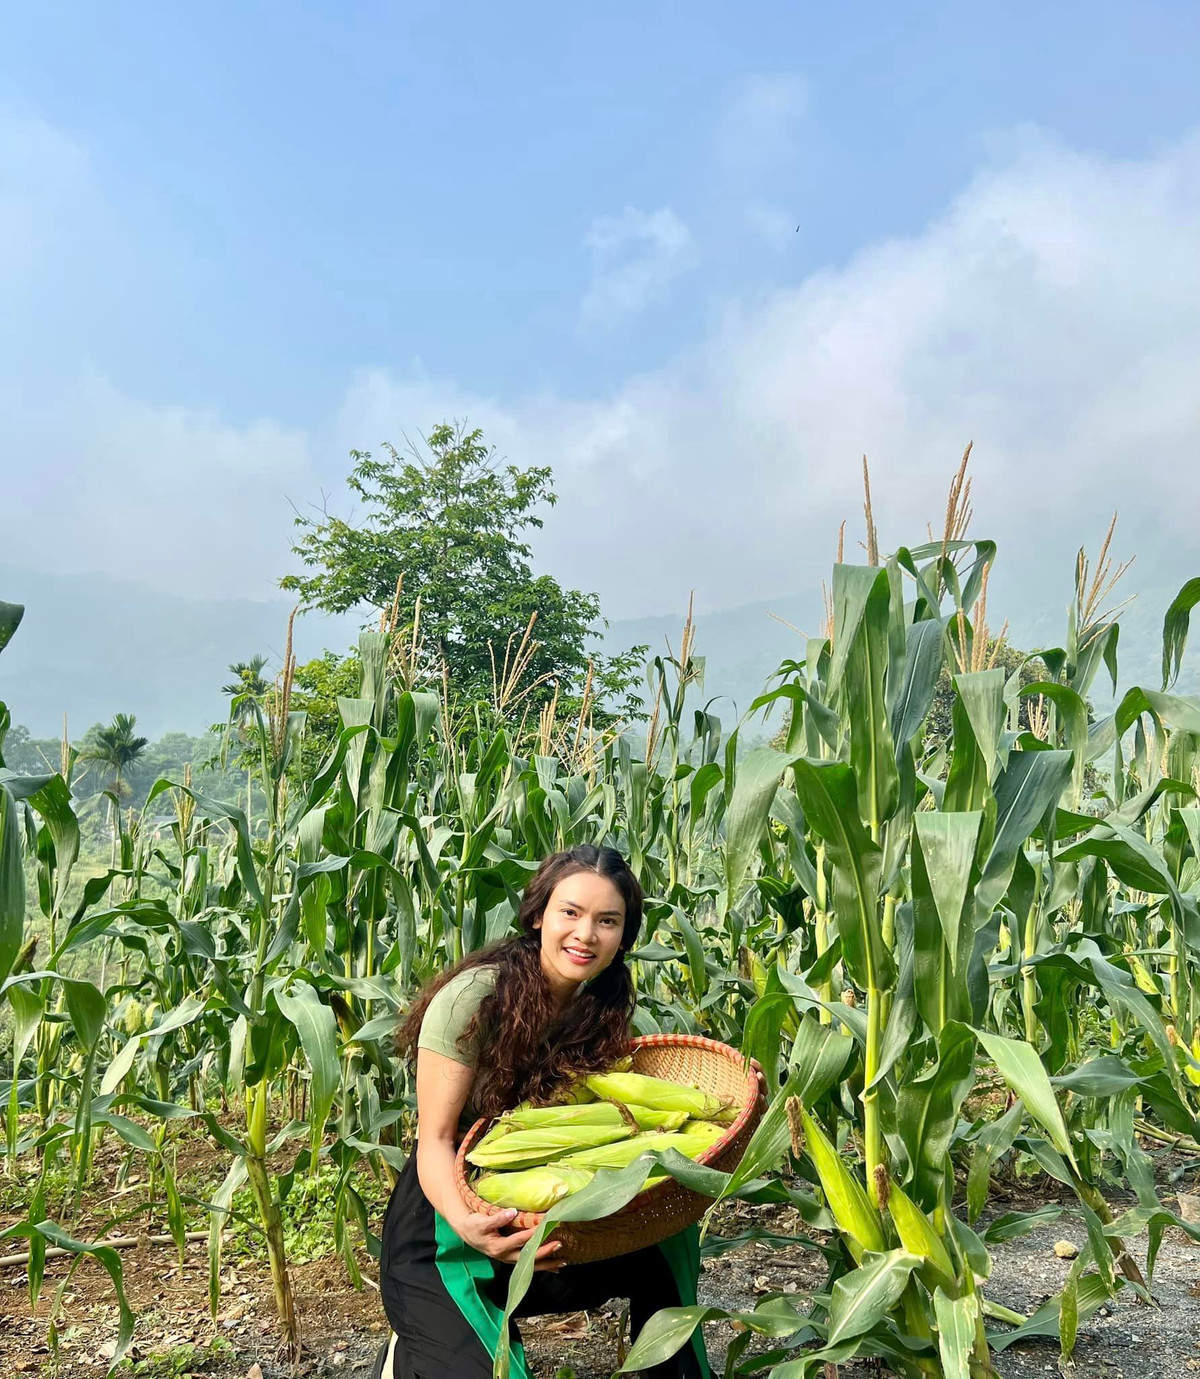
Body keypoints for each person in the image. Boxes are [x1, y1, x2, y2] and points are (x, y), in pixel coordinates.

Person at [372, 844, 711, 1379]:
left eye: (607, 921)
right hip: (447, 1217)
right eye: (571, 913)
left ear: (624, 935)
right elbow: (432, 1140)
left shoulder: (601, 1002)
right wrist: (468, 1223)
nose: (586, 935)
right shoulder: (475, 1000)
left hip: (545, 1201)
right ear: (537, 915)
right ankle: (420, 1345)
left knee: (668, 1224)